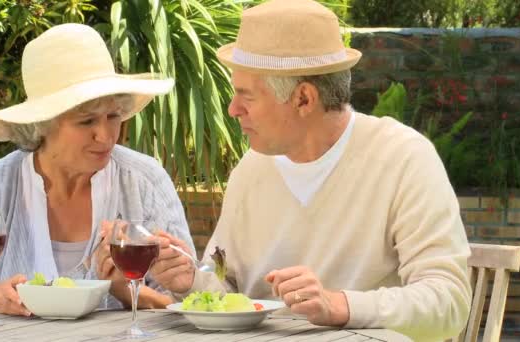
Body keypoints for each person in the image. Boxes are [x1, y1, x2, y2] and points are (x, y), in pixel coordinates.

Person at [149, 0, 471, 340]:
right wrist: (189, 282)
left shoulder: (403, 158)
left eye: (246, 96)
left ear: (303, 98)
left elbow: (448, 302)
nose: (232, 109)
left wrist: (339, 306)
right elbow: (227, 284)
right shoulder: (252, 168)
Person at [0, 23, 195, 315]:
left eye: (113, 116)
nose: (106, 135)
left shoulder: (144, 182)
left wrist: (126, 291)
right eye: (86, 121)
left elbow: (190, 311)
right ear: (43, 125)